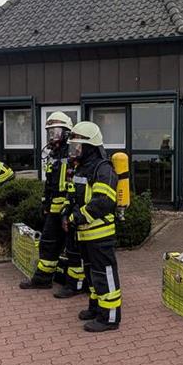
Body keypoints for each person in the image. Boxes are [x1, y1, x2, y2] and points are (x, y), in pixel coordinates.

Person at [65, 121, 122, 332]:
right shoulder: (82, 167)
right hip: (85, 235)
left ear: (90, 147)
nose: (75, 150)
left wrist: (78, 217)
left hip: (100, 234)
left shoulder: (103, 169)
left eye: (78, 146)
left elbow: (103, 202)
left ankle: (110, 317)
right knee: (91, 275)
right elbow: (74, 196)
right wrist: (67, 213)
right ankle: (96, 307)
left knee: (105, 274)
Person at [20, 112, 76, 290]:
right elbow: (50, 183)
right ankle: (43, 279)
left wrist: (68, 209)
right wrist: (45, 204)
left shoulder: (74, 151)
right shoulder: (53, 153)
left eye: (56, 131)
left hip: (69, 210)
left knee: (73, 247)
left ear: (67, 132)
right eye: (50, 132)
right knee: (48, 243)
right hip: (53, 209)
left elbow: (77, 184)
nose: (52, 136)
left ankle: (74, 283)